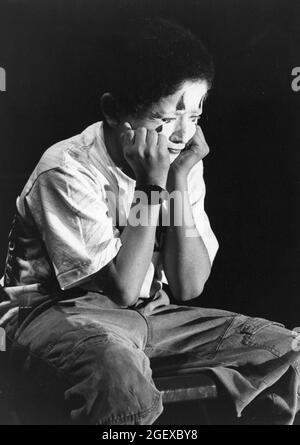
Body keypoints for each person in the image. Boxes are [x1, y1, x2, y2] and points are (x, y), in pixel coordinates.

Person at [0, 18, 300, 425]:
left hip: (150, 316)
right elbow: (121, 289)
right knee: (115, 372)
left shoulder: (179, 163)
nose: (180, 135)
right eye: (163, 120)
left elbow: (189, 285)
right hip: (58, 316)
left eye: (194, 116)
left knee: (283, 348)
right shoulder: (66, 169)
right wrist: (151, 185)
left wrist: (176, 179)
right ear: (112, 111)